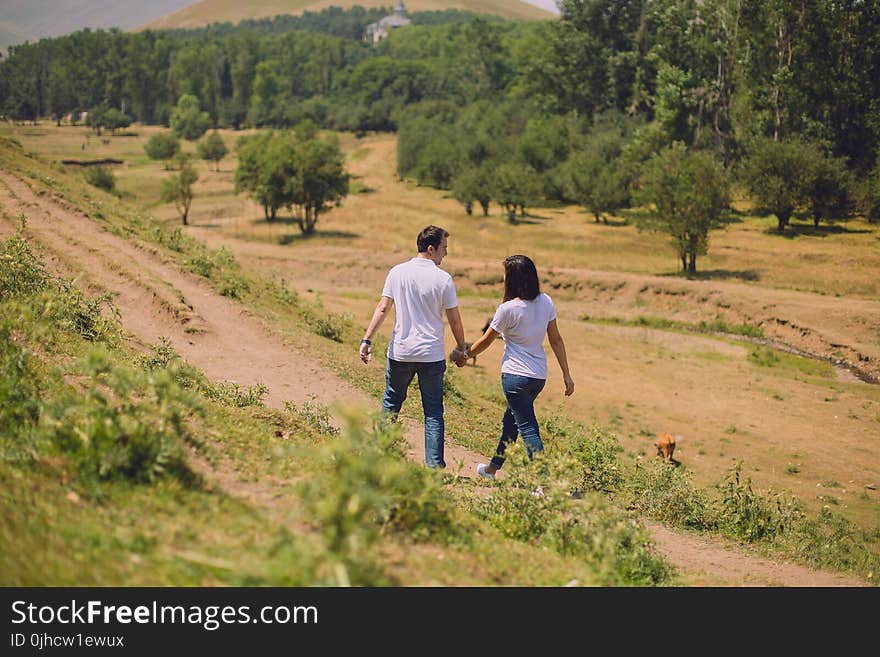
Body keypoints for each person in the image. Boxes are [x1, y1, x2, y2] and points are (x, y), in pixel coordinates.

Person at [456, 255, 574, 479]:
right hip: (537, 377)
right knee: (511, 422)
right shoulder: (546, 301)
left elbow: (486, 340)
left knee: (528, 428)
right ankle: (492, 469)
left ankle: (543, 482)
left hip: (515, 377)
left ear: (512, 279)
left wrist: (465, 355)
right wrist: (566, 375)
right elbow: (556, 340)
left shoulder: (508, 309)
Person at [360, 225, 468, 468]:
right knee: (432, 412)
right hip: (431, 354)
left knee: (392, 402)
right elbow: (454, 319)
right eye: (444, 248)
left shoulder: (397, 272)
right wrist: (462, 348)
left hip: (401, 351)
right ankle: (434, 467)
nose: (446, 254)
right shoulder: (443, 279)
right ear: (431, 249)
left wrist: (367, 340)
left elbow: (383, 307)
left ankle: (381, 456)